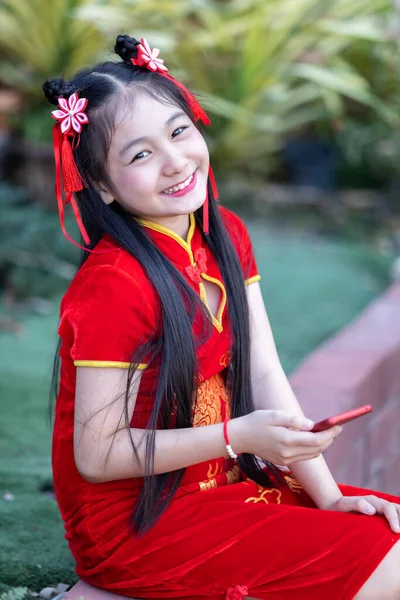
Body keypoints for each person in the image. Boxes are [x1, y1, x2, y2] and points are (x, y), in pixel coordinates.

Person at [44, 35, 400, 600]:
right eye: (140, 154)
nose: (175, 160)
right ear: (104, 189)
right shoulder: (114, 284)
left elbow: (263, 371)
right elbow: (97, 455)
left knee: (385, 531)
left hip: (222, 485)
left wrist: (328, 497)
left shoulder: (223, 232)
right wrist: (236, 436)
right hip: (137, 522)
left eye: (179, 130)